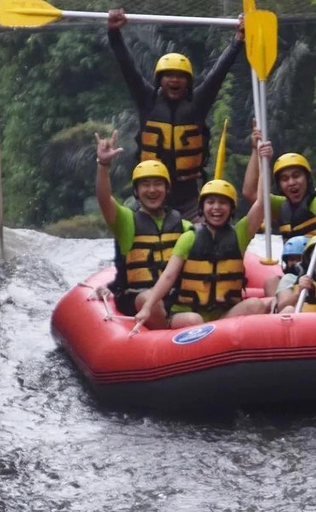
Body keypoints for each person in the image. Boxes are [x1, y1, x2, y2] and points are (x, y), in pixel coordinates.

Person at [106, 8, 245, 221]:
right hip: (151, 200)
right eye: (168, 76)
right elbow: (127, 66)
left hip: (189, 202)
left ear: (188, 82)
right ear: (159, 80)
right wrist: (114, 33)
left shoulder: (197, 104)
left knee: (202, 238)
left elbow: (218, 73)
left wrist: (238, 41)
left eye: (180, 76)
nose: (174, 80)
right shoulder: (147, 101)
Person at [135, 177, 270, 329]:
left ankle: (221, 341)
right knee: (194, 321)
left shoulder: (240, 235)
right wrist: (148, 307)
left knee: (255, 305)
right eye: (210, 202)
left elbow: (261, 204)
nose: (216, 207)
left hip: (224, 317)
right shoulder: (189, 238)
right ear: (202, 207)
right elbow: (168, 276)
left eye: (223, 203)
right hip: (188, 314)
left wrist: (262, 159)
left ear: (231, 208)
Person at [91, 130, 192, 329]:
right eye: (145, 185)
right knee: (148, 300)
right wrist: (103, 165)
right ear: (136, 191)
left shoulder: (184, 226)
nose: (152, 190)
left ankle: (176, 332)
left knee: (191, 318)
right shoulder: (126, 220)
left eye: (157, 184)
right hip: (136, 299)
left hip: (173, 302)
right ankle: (167, 339)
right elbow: (104, 200)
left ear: (167, 189)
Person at [241, 144, 316, 287]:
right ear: (280, 185)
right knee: (271, 283)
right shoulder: (281, 207)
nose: (292, 182)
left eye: (296, 176)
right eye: (285, 179)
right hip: (302, 277)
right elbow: (250, 193)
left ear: (307, 178)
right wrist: (257, 151)